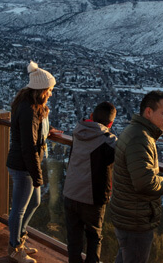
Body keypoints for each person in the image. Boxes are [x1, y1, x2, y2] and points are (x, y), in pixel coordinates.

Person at [108, 90, 163, 263]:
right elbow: (145, 182)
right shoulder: (141, 139)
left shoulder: (135, 131)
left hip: (127, 213)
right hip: (135, 220)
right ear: (148, 112)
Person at [7, 61, 59, 263]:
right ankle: (14, 248)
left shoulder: (31, 106)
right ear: (41, 90)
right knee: (18, 210)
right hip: (23, 166)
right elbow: (28, 146)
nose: (51, 93)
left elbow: (34, 132)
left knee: (34, 202)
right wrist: (37, 175)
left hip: (24, 164)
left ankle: (19, 239)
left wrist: (48, 130)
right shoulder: (28, 110)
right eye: (50, 90)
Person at [63, 101, 118, 263]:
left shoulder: (77, 131)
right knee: (94, 239)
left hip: (70, 193)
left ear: (92, 116)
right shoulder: (109, 142)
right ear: (110, 123)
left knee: (73, 241)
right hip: (92, 199)